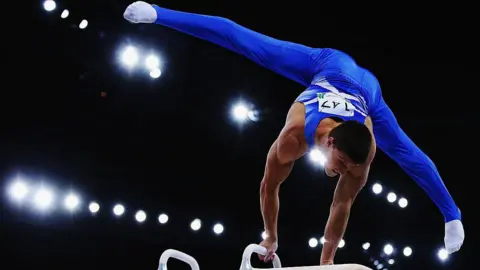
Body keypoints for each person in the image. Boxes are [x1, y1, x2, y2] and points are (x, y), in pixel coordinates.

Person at [123, 1, 465, 264]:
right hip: (328, 66)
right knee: (240, 38)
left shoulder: (363, 151)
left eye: (349, 167)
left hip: (368, 96)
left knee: (408, 154)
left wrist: (327, 262)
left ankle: (452, 215)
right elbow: (269, 186)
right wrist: (270, 235)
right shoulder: (294, 137)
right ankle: (158, 12)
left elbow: (341, 205)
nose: (344, 171)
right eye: (343, 163)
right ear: (330, 142)